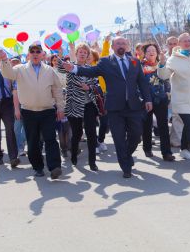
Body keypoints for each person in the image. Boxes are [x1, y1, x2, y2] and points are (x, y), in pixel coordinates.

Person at [62, 37, 152, 178]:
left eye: (123, 43)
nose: (121, 46)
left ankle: (126, 155)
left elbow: (142, 82)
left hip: (133, 106)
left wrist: (147, 99)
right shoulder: (105, 61)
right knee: (119, 138)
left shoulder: (135, 61)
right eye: (118, 44)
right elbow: (90, 71)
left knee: (136, 135)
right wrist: (73, 68)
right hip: (115, 108)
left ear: (127, 46)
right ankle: (126, 167)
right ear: (112, 46)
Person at [0, 45, 65, 179]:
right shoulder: (20, 69)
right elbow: (7, 73)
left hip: (47, 110)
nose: (35, 54)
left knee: (50, 139)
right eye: (32, 52)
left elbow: (57, 90)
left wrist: (60, 107)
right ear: (28, 55)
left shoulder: (50, 70)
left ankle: (55, 167)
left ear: (42, 54)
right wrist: (5, 61)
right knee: (33, 140)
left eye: (38, 52)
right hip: (29, 111)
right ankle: (38, 167)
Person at [157, 33, 190, 165]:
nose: (187, 43)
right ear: (179, 44)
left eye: (188, 40)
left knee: (189, 125)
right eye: (184, 41)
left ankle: (184, 149)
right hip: (181, 98)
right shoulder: (173, 59)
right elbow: (163, 76)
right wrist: (162, 63)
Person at [58, 43, 101, 171]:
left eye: (85, 52)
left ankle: (92, 161)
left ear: (88, 55)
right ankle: (74, 155)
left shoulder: (91, 69)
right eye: (80, 52)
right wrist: (60, 53)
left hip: (89, 105)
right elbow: (60, 68)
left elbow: (97, 86)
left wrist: (89, 88)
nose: (82, 54)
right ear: (76, 54)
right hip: (74, 105)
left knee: (91, 134)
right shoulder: (70, 66)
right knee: (77, 133)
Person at [141, 43, 175, 161]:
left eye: (153, 50)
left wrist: (168, 93)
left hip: (161, 99)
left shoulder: (162, 65)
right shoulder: (140, 66)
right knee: (147, 125)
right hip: (146, 100)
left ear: (157, 52)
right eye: (148, 50)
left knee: (163, 126)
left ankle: (166, 152)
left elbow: (166, 80)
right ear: (145, 53)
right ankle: (147, 148)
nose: (151, 52)